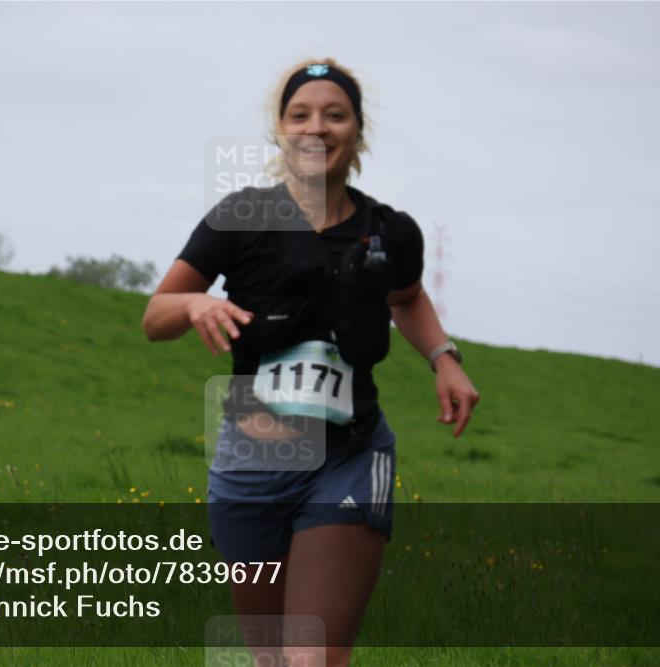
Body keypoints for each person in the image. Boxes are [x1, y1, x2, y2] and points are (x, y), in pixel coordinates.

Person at [142, 57, 480, 667]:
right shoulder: (239, 218)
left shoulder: (389, 232)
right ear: (280, 129)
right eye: (299, 115)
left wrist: (444, 358)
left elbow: (407, 296)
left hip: (348, 454)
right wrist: (194, 303)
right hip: (252, 460)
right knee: (269, 657)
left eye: (334, 115)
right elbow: (155, 316)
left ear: (358, 130)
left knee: (312, 656)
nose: (316, 128)